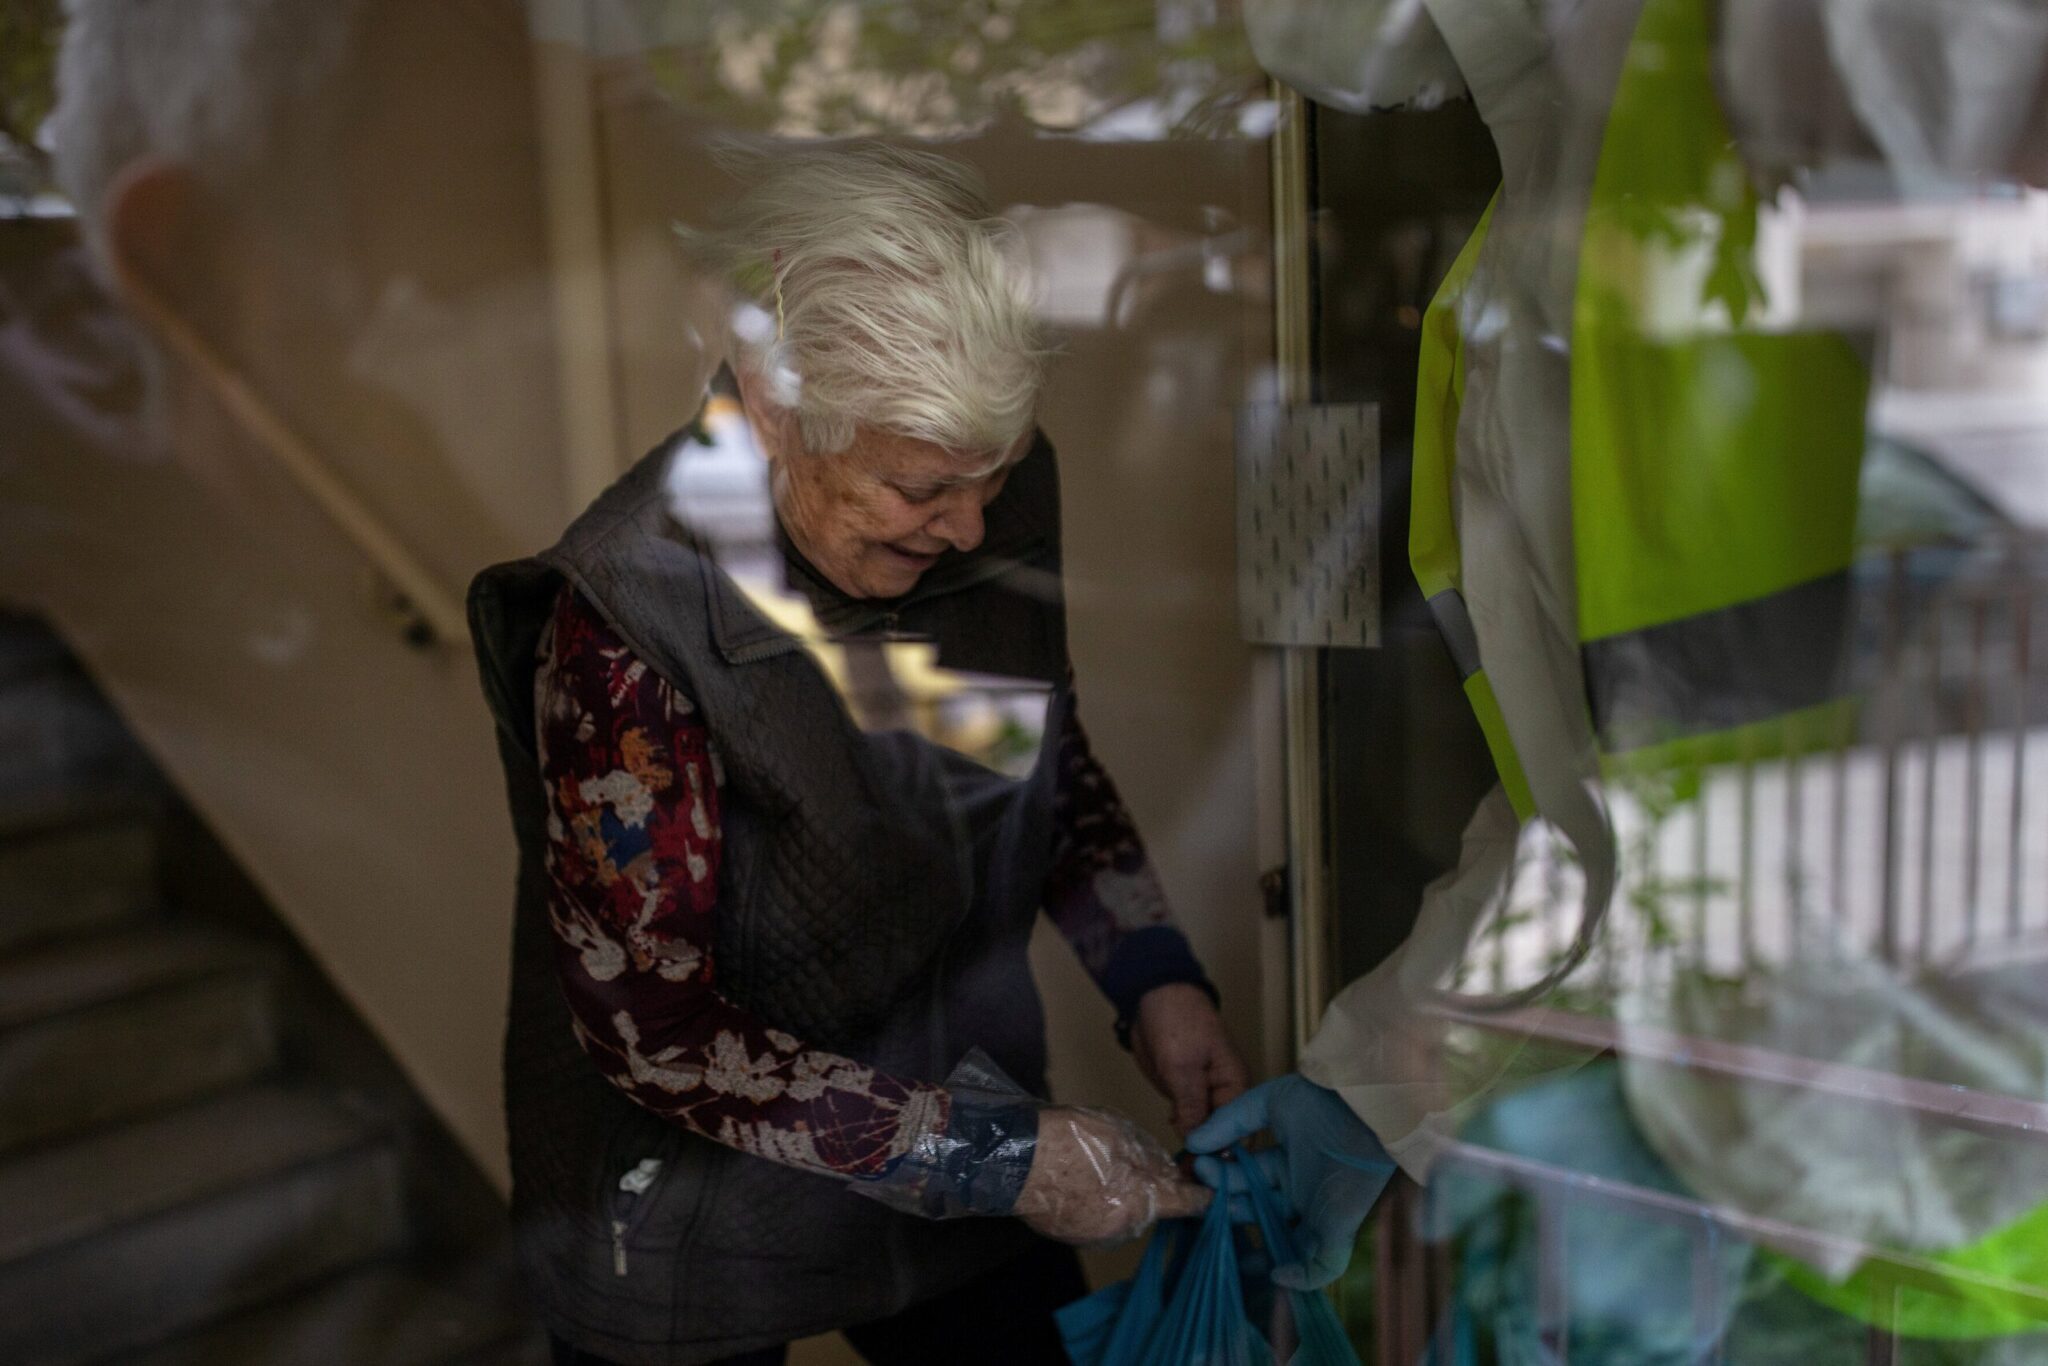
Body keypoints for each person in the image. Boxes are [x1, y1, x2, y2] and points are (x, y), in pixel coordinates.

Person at [470, 143, 1247, 1366]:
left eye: (995, 473)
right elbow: (654, 1028)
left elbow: (1025, 753)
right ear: (772, 407)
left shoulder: (982, 487)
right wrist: (990, 1154)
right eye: (919, 486)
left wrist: (1154, 975)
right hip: (689, 1194)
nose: (972, 525)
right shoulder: (624, 620)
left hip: (953, 1105)